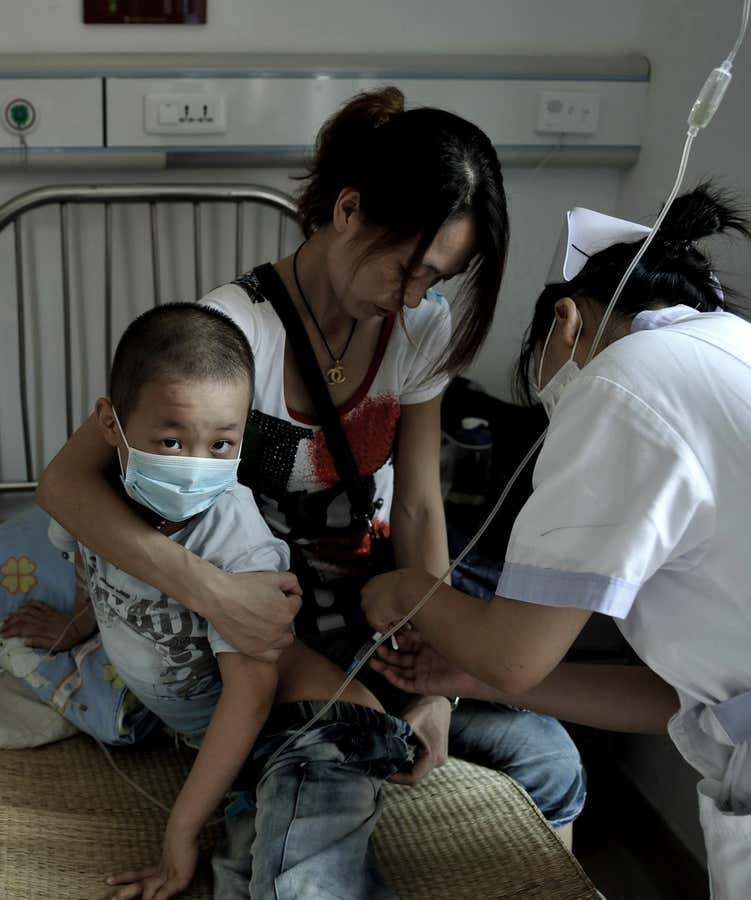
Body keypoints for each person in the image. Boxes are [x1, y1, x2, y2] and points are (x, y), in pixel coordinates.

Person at [363, 184, 751, 899]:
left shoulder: (622, 384)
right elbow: (681, 702)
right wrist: (463, 678)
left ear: (564, 323)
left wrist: (401, 589)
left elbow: (513, 656)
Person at [36, 88, 584, 839]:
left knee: (549, 757)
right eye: (407, 268)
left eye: (437, 280)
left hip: (371, 607)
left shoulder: (419, 326)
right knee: (325, 790)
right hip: (264, 637)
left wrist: (436, 684)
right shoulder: (233, 331)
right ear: (349, 211)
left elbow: (419, 506)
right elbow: (66, 483)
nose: (414, 296)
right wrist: (215, 595)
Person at [5, 304, 414, 899]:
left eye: (222, 443)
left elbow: (252, 696)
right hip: (243, 755)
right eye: (171, 440)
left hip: (316, 727)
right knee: (238, 884)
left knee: (298, 887)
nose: (195, 466)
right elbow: (92, 571)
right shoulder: (92, 506)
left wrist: (180, 830)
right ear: (110, 423)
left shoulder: (239, 546)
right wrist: (76, 627)